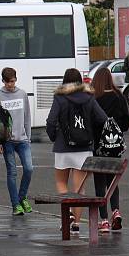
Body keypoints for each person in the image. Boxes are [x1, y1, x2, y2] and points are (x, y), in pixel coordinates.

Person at [46, 68, 107, 233]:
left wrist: (54, 137)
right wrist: (90, 134)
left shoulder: (60, 98)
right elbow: (102, 118)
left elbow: (51, 121)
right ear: (80, 81)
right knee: (79, 189)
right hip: (84, 148)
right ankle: (76, 224)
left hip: (63, 147)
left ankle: (68, 215)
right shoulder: (89, 97)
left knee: (61, 182)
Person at [91, 67, 129, 232]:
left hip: (98, 148)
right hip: (115, 148)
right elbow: (126, 124)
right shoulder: (119, 97)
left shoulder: (94, 99)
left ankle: (104, 221)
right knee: (113, 181)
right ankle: (116, 211)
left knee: (100, 184)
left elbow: (91, 123)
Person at [0, 67, 33, 216]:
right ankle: (15, 204)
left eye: (13, 81)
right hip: (7, 140)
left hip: (22, 139)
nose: (11, 84)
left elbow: (27, 116)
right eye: (8, 82)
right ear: (3, 81)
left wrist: (28, 137)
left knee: (29, 169)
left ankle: (22, 197)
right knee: (12, 172)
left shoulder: (22, 94)